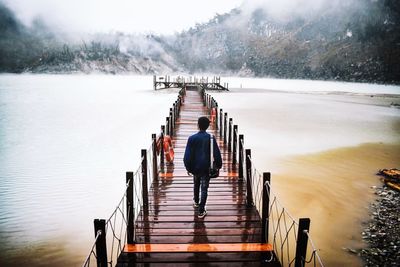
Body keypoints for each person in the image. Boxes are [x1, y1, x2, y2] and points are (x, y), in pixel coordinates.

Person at [183, 116, 222, 218]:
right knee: (204, 188)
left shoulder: (191, 138)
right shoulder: (211, 138)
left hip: (195, 168)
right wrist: (218, 165)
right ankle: (201, 210)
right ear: (208, 126)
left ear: (198, 125)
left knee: (196, 184)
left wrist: (188, 167)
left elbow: (187, 155)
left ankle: (196, 202)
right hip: (206, 168)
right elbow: (216, 154)